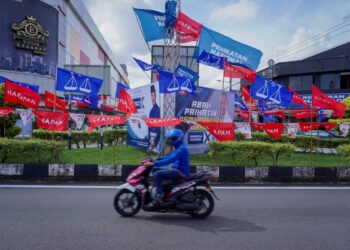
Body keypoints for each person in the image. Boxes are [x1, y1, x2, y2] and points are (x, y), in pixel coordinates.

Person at [144, 128, 189, 208]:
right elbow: (170, 156)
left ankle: (159, 196)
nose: (171, 140)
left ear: (178, 138)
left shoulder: (181, 149)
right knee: (155, 170)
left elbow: (170, 160)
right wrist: (157, 158)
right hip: (175, 170)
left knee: (158, 174)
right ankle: (162, 188)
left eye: (173, 138)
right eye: (171, 138)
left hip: (180, 172)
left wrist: (153, 163)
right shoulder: (178, 147)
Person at [148, 85, 160, 152]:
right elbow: (149, 126)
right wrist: (150, 139)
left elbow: (159, 128)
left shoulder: (158, 110)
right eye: (152, 96)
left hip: (156, 140)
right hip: (151, 139)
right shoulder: (151, 111)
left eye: (154, 96)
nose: (153, 98)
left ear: (156, 96)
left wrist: (154, 142)